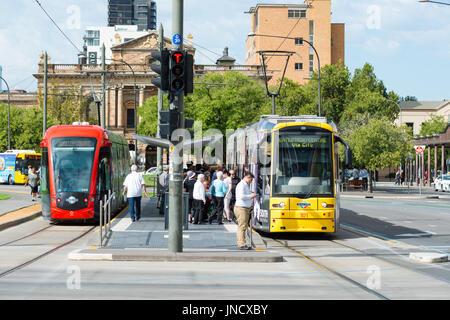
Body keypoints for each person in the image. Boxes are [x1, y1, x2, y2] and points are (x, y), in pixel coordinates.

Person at [234, 172, 256, 250]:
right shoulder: (241, 185)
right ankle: (241, 244)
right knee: (242, 226)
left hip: (244, 208)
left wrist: (250, 194)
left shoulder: (245, 185)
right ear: (248, 177)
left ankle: (243, 243)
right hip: (241, 208)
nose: (251, 181)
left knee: (243, 226)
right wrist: (251, 196)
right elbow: (241, 196)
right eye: (251, 180)